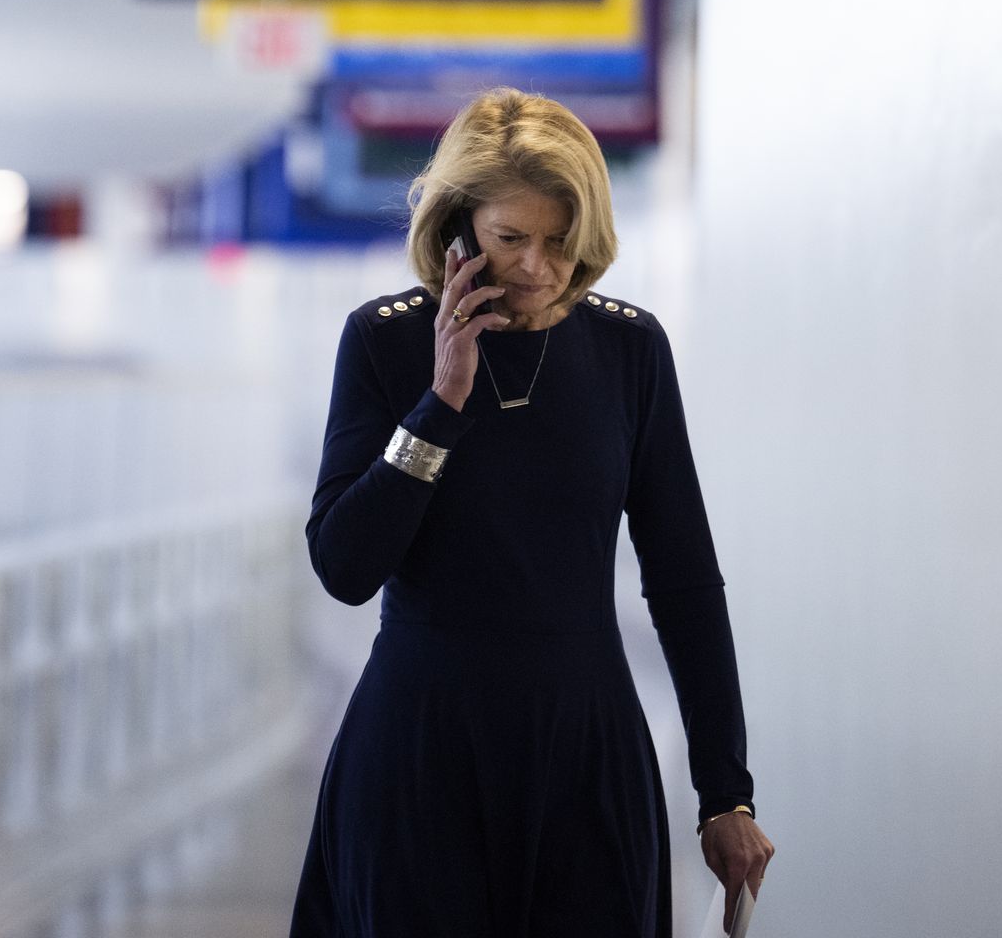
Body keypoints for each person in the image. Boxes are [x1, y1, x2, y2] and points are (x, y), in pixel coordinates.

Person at [288, 88, 774, 937]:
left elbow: (687, 580)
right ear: (460, 227)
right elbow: (344, 567)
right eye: (511, 238)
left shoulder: (629, 350)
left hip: (585, 749)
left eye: (560, 241)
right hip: (419, 746)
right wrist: (439, 405)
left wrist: (724, 791)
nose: (539, 268)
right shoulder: (385, 341)